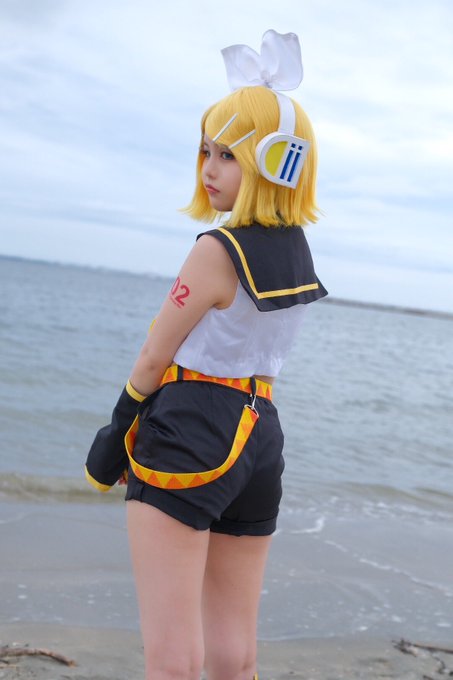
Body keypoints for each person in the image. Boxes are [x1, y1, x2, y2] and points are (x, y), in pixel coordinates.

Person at [85, 29, 327, 680]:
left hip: (191, 428)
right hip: (260, 435)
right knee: (235, 655)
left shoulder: (217, 250)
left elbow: (153, 356)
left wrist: (115, 435)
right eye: (205, 152)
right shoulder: (298, 254)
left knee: (172, 661)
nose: (209, 170)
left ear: (275, 161)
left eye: (226, 154)